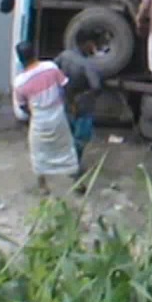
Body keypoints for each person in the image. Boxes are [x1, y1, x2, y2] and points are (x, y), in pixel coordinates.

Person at [12, 41, 79, 196]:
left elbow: (22, 106)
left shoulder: (19, 82)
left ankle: (43, 186)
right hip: (57, 115)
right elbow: (66, 86)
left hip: (39, 119)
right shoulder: (50, 67)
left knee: (38, 152)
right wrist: (72, 106)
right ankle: (76, 181)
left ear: (20, 59)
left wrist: (32, 114)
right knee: (67, 147)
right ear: (34, 53)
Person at [54, 28, 102, 189]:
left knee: (68, 133)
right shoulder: (87, 64)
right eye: (94, 44)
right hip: (83, 105)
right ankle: (74, 169)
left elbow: (54, 69)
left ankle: (65, 162)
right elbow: (96, 87)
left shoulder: (65, 55)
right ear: (88, 44)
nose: (95, 47)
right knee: (81, 138)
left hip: (66, 101)